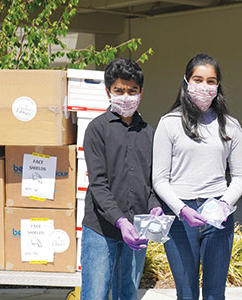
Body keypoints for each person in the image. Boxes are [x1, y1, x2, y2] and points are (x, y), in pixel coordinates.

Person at [152, 53, 242, 300]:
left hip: (218, 217)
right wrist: (181, 209)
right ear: (186, 81)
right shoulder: (169, 123)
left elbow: (239, 176)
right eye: (198, 79)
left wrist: (224, 204)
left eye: (211, 81)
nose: (204, 86)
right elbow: (159, 178)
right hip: (181, 218)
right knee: (187, 294)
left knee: (215, 294)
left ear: (218, 85)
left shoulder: (231, 126)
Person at [80, 57, 162, 300]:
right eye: (119, 90)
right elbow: (98, 184)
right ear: (108, 91)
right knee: (95, 294)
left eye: (132, 91)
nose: (126, 96)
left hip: (137, 231)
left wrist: (155, 206)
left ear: (141, 92)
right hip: (100, 229)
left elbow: (152, 181)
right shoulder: (97, 129)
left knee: (127, 293)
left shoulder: (148, 132)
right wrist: (120, 221)